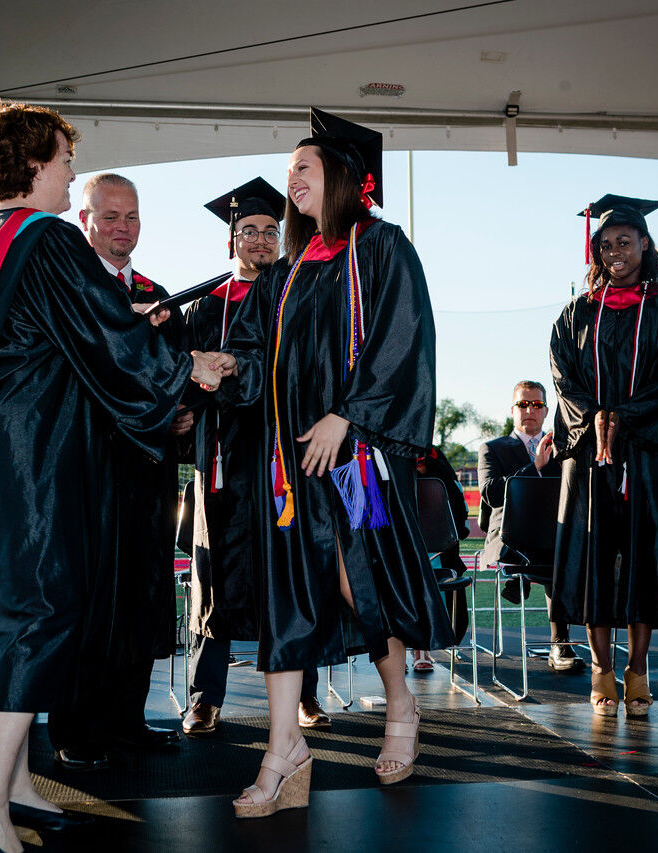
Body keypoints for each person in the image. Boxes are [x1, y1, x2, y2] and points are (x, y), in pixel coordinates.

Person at [0, 103, 220, 853]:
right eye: (61, 161)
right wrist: (189, 367)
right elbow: (109, 340)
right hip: (30, 459)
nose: (69, 172)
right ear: (31, 165)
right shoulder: (47, 239)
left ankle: (14, 782)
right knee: (35, 610)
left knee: (4, 620)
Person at [201, 108, 454, 817]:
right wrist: (227, 367)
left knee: (360, 572)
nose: (292, 181)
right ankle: (284, 750)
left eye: (303, 169)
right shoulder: (285, 271)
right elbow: (257, 357)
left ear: (341, 175)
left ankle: (400, 700)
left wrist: (351, 415)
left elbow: (405, 338)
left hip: (359, 462)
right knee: (286, 593)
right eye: (289, 173)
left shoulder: (380, 248)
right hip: (288, 468)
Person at [42, 173, 188, 771]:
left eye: (130, 217)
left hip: (147, 472)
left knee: (142, 595)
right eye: (109, 217)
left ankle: (128, 720)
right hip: (86, 471)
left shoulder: (158, 294)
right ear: (84, 220)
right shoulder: (71, 290)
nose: (121, 227)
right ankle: (74, 727)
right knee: (89, 596)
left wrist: (181, 413)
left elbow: (173, 370)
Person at [181, 178, 329, 736]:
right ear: (232, 241)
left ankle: (305, 695)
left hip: (283, 458)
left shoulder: (299, 297)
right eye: (250, 232)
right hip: (221, 460)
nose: (262, 241)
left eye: (272, 231)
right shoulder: (203, 306)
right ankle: (204, 696)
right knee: (214, 574)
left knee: (291, 572)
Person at [548, 195, 658, 718]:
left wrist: (623, 419)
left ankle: (638, 668)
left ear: (645, 245)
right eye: (605, 244)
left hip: (643, 455)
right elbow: (563, 377)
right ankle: (601, 668)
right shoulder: (576, 312)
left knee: (641, 560)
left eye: (625, 242)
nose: (615, 252)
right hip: (588, 457)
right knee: (592, 564)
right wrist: (595, 420)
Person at [477, 381, 580, 672]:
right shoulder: (493, 449)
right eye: (523, 404)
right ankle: (560, 641)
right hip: (509, 537)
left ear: (546, 411)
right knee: (555, 555)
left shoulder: (565, 451)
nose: (529, 410)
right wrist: (533, 467)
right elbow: (492, 494)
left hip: (551, 539)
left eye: (536, 404)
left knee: (566, 549)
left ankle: (562, 643)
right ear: (512, 410)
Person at [409, 444, 472, 671]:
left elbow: (460, 528)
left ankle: (421, 646)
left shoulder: (438, 462)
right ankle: (407, 648)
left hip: (440, 555)